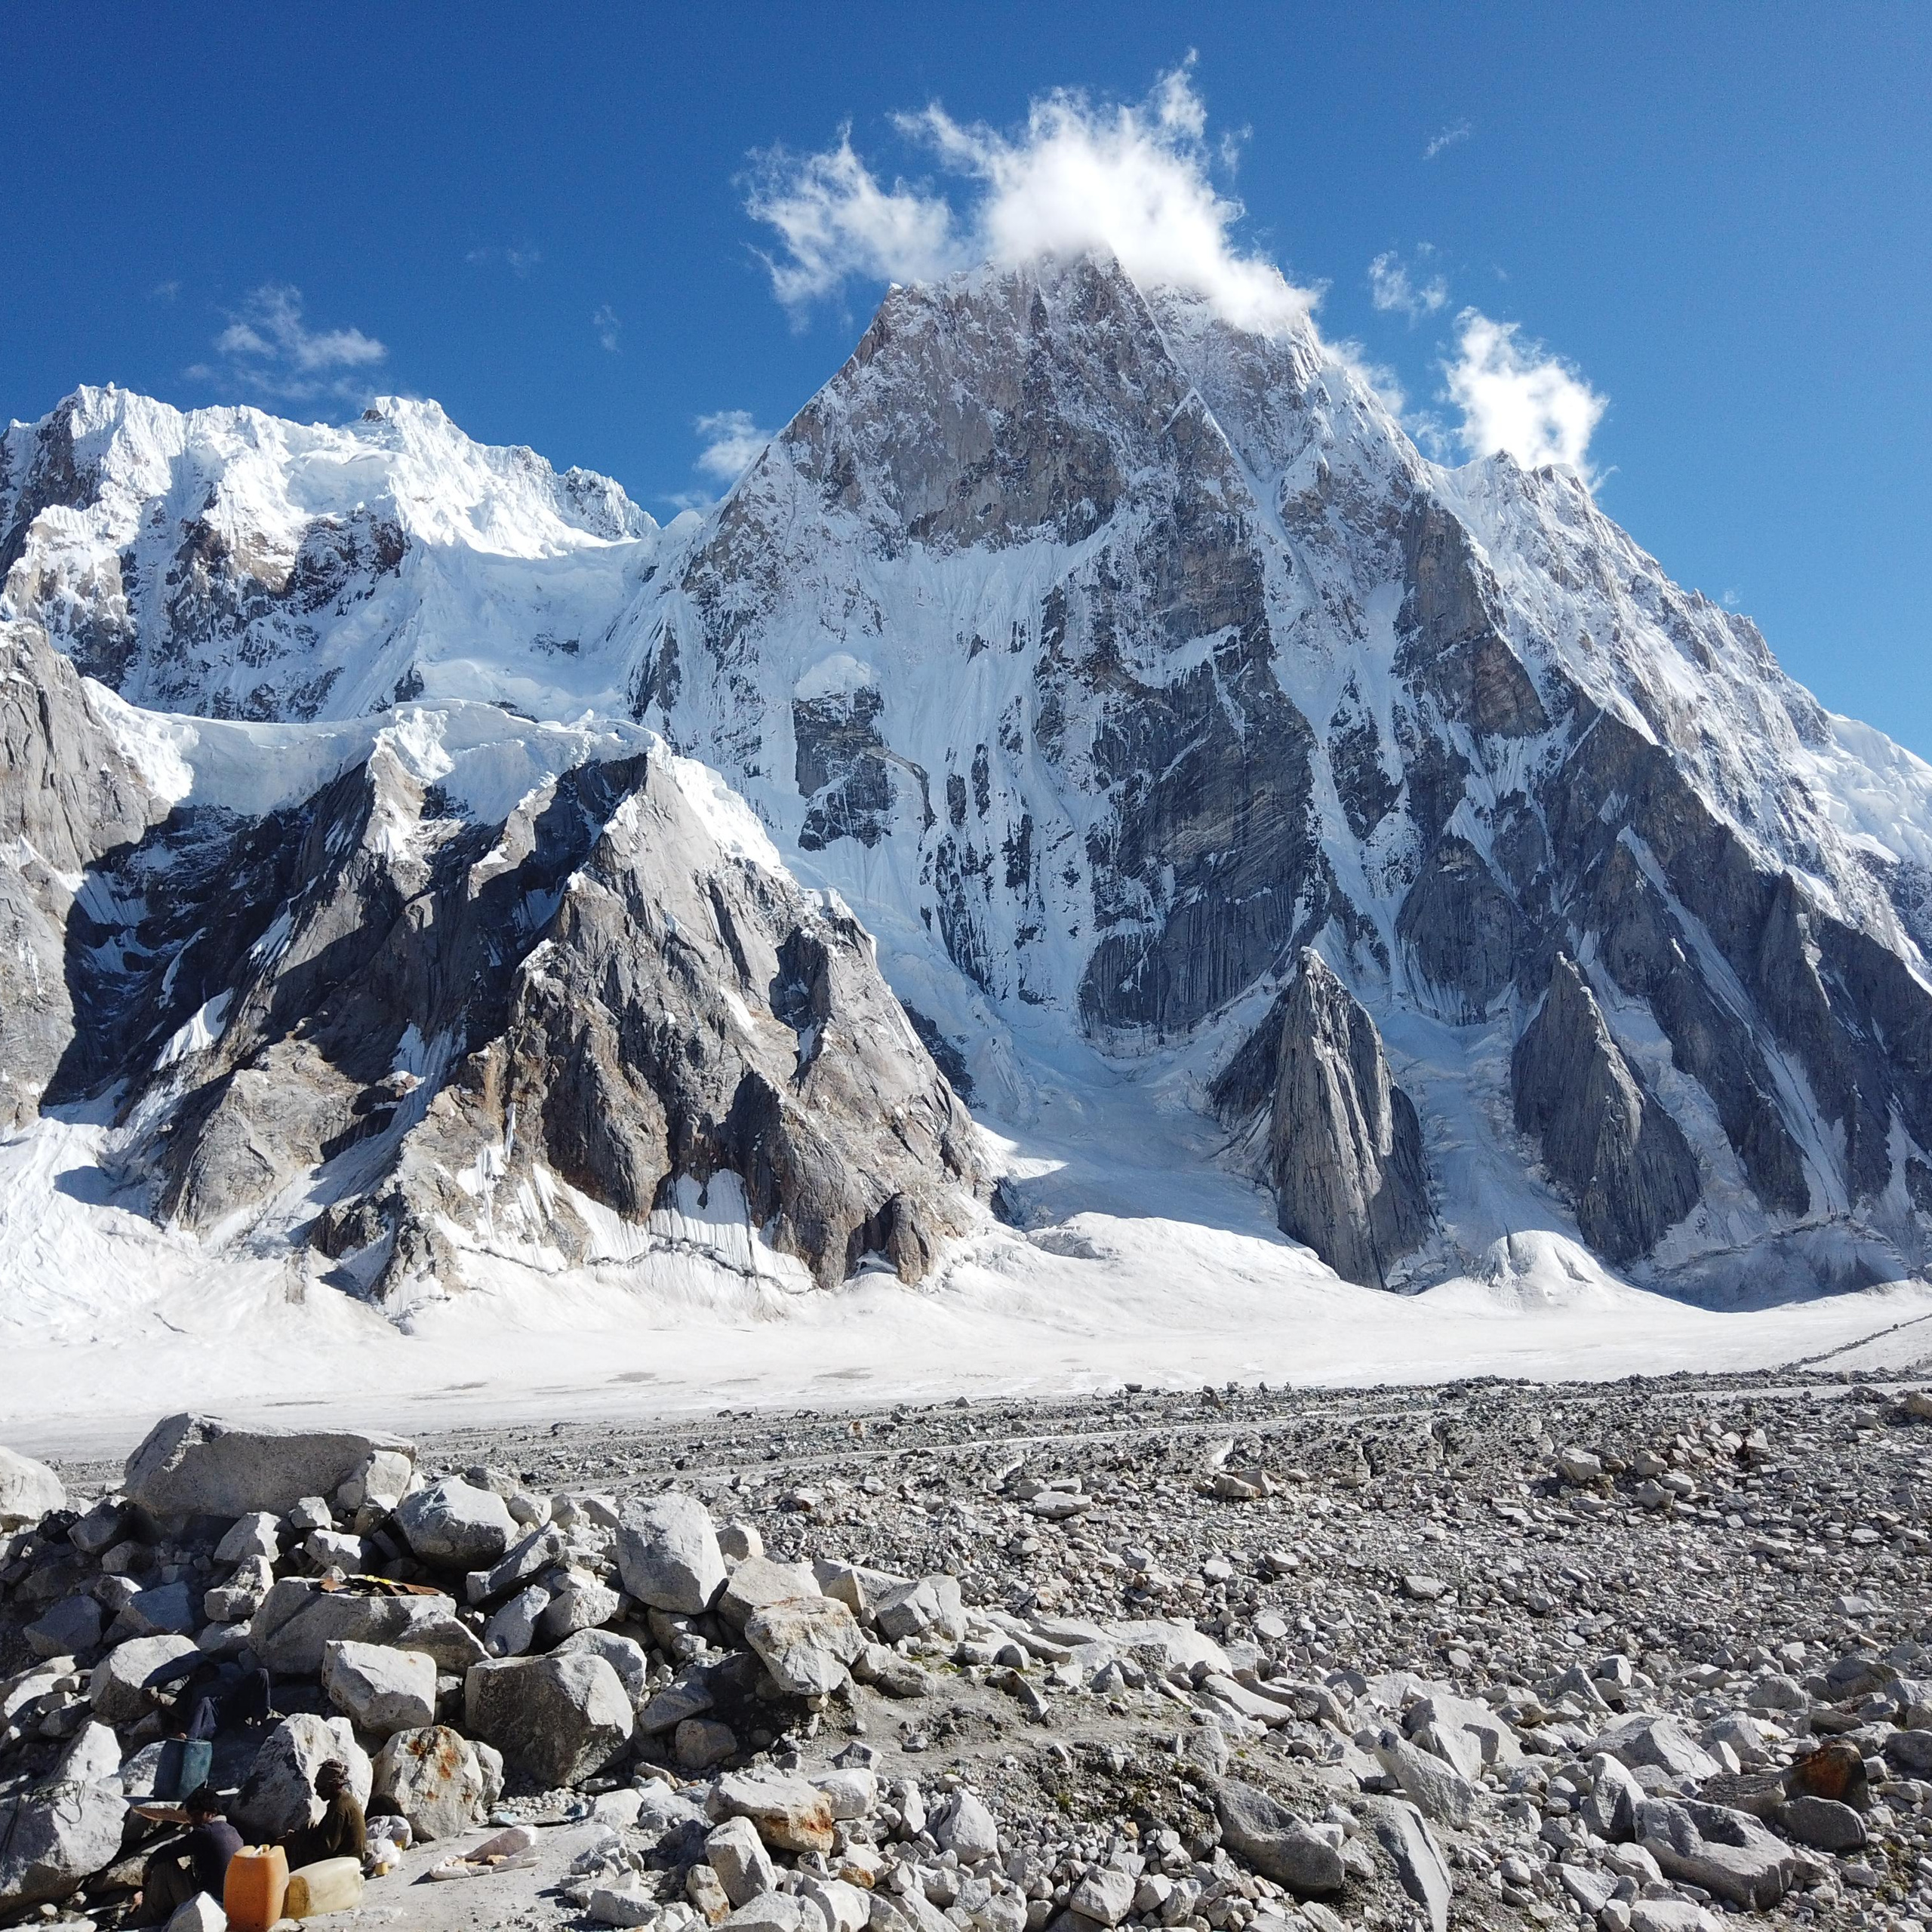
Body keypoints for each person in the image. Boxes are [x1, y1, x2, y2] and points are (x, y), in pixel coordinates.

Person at [136, 1785, 242, 1925]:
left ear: (212, 1813)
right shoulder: (232, 1831)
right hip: (230, 1904)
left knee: (164, 1865)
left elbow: (164, 1852)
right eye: (191, 1816)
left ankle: (146, 1921)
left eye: (197, 1815)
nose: (192, 1821)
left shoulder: (206, 1833)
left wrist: (147, 1871)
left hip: (210, 1905)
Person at [283, 1759, 367, 1869]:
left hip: (346, 1860)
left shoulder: (339, 1808)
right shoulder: (343, 1799)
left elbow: (327, 1848)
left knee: (296, 1848)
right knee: (305, 1830)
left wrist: (300, 1841)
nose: (318, 1793)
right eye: (316, 1787)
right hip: (347, 1855)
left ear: (336, 1787)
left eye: (322, 1789)